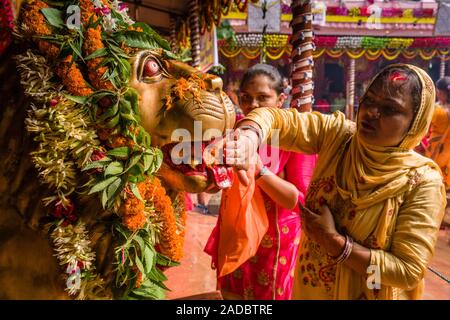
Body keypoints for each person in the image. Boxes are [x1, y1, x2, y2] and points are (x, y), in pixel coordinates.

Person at [226, 64, 445, 299]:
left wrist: (336, 245)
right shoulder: (339, 137)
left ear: (416, 121)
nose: (371, 112)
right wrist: (249, 136)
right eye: (369, 100)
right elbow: (279, 120)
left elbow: (407, 272)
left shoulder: (422, 182)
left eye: (390, 109)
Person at [205, 64, 316, 299]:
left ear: (281, 99)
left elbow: (300, 202)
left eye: (263, 98)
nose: (252, 105)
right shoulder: (235, 130)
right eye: (246, 97)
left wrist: (259, 171)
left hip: (276, 244)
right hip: (236, 232)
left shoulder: (295, 139)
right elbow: (219, 184)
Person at [425, 76, 450, 230]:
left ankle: (434, 215)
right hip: (448, 153)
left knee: (433, 181)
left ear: (440, 92)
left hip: (436, 151)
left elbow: (425, 129)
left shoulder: (437, 110)